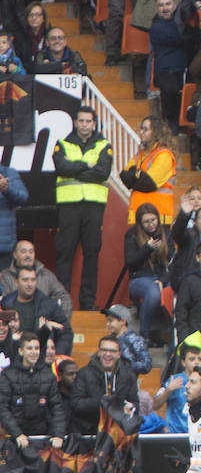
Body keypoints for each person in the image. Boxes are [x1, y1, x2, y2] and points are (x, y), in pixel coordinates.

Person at [51, 105, 112, 310]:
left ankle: (88, 302)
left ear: (94, 124)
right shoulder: (62, 143)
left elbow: (103, 172)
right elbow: (61, 166)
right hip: (69, 206)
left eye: (88, 121)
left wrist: (75, 168)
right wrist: (86, 166)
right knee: (64, 252)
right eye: (81, 120)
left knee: (92, 253)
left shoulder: (104, 145)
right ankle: (62, 301)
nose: (84, 124)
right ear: (76, 122)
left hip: (94, 208)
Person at [0, 331, 68, 452]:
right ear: (21, 351)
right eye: (29, 348)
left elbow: (57, 407)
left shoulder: (48, 375)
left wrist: (58, 434)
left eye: (36, 348)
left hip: (42, 438)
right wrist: (17, 434)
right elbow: (2, 408)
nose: (33, 352)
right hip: (15, 439)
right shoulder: (7, 375)